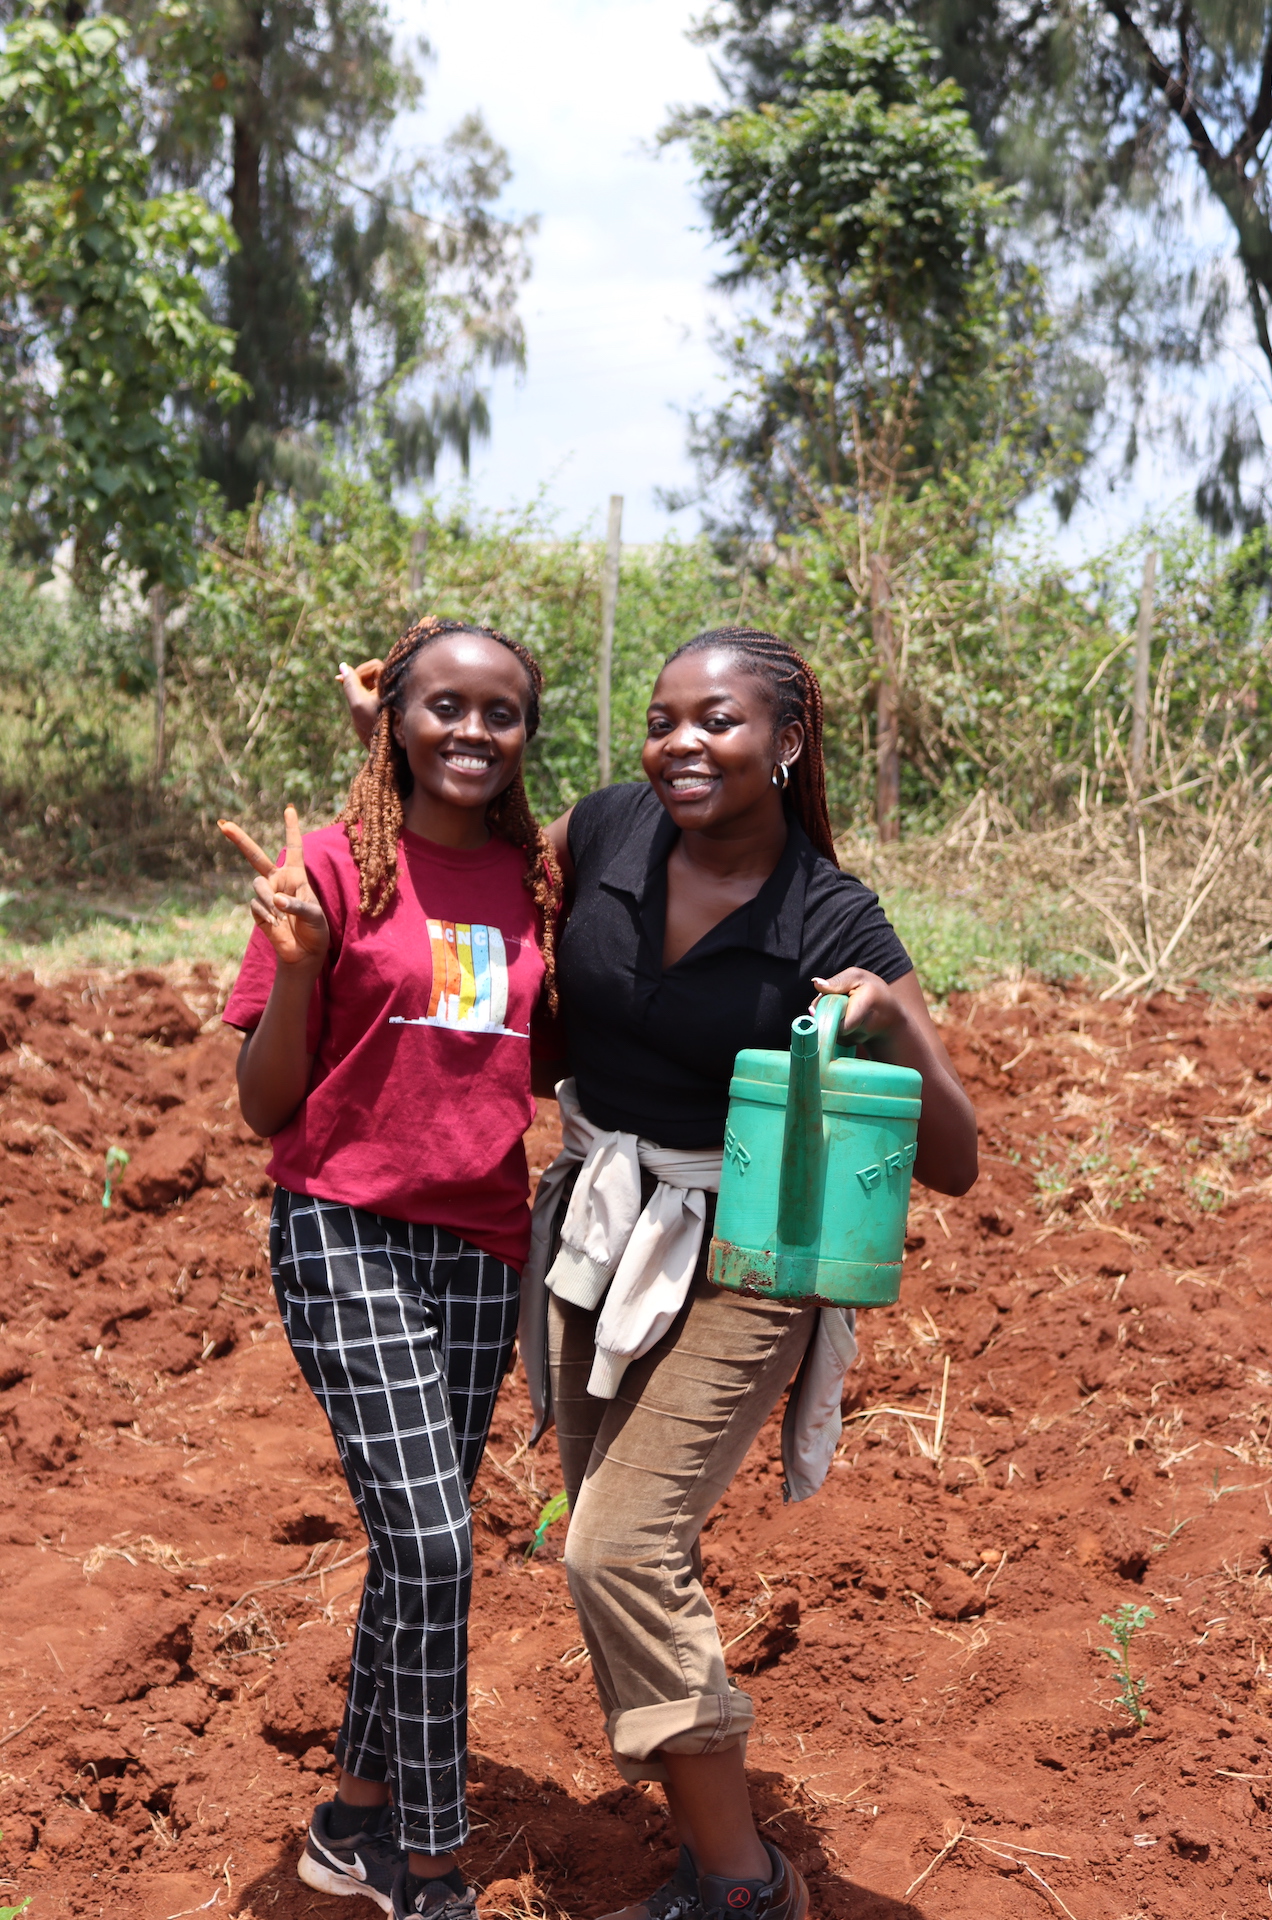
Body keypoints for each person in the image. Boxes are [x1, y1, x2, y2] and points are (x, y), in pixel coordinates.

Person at [340, 626, 978, 1920]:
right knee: (617, 1537)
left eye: (717, 722)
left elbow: (957, 1157)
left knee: (617, 1549)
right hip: (598, 1225)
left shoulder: (828, 913)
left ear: (786, 741)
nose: (681, 745)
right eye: (661, 720)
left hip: (745, 1256)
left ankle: (745, 1884)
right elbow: (473, 865)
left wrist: (894, 1024)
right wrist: (388, 739)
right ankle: (703, 1854)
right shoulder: (605, 831)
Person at [220, 617, 561, 1920]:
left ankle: (348, 1818)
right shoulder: (325, 867)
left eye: (501, 712)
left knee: (414, 1554)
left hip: (482, 1240)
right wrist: (299, 968)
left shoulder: (537, 878)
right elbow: (264, 1107)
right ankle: (428, 1864)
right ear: (397, 722)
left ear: (528, 734)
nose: (473, 730)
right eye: (444, 707)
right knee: (434, 1544)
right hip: (344, 1224)